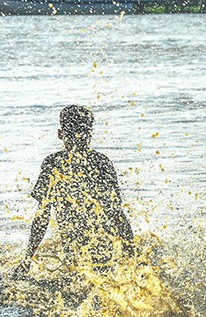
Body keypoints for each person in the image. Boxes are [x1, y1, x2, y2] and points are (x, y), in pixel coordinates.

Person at [13, 105, 134, 278]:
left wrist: (27, 258)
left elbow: (42, 217)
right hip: (105, 248)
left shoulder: (53, 163)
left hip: (75, 249)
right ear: (90, 134)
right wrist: (132, 256)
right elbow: (117, 215)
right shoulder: (101, 163)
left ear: (60, 134)